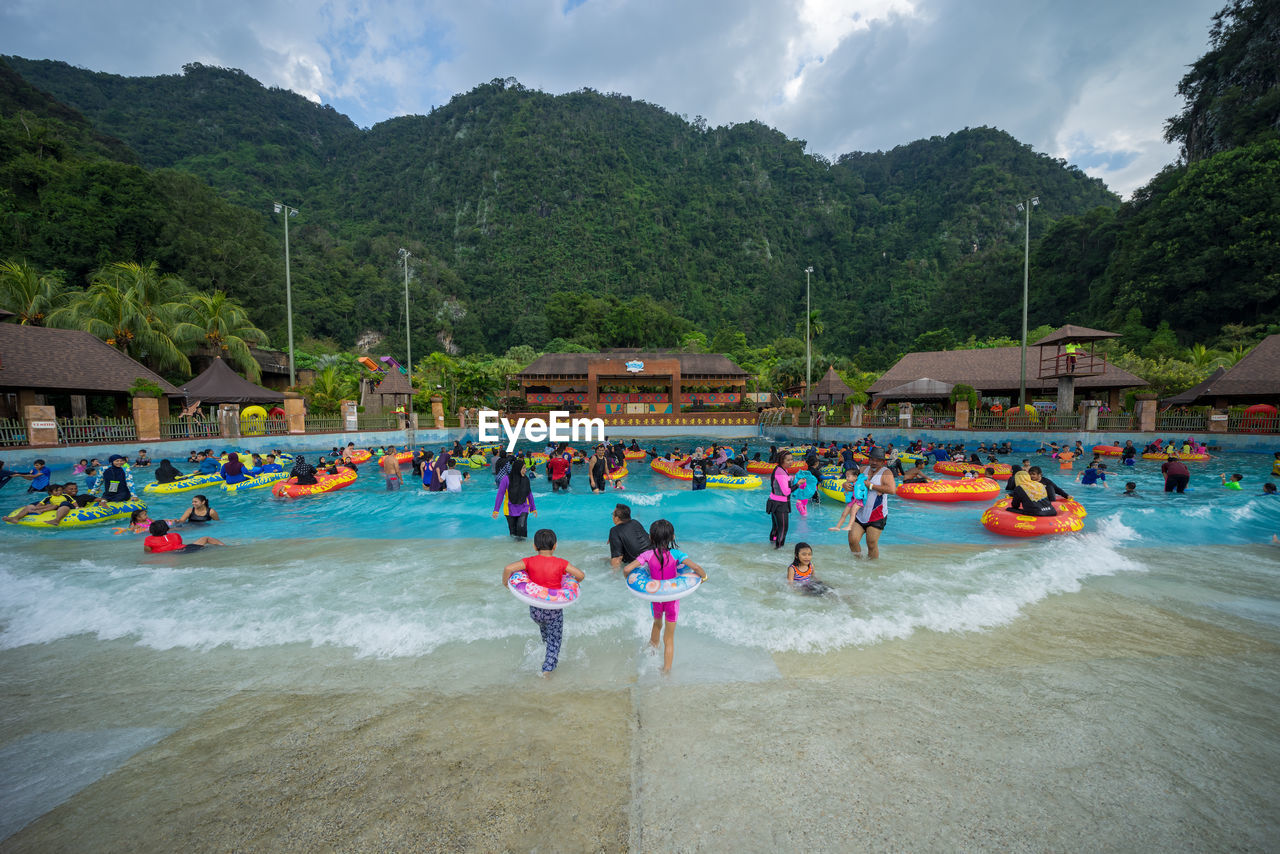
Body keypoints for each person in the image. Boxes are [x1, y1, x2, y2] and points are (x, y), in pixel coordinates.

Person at [621, 519, 706, 674]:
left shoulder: (647, 554)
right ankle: (666, 671)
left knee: (657, 624)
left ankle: (651, 652)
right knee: (669, 637)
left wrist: (628, 579)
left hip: (656, 599)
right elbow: (696, 567)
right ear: (672, 537)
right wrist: (704, 577)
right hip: (672, 601)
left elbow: (627, 569)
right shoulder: (676, 554)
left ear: (651, 538)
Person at [502, 528, 585, 677]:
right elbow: (580, 575)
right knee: (555, 642)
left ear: (534, 546)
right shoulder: (561, 563)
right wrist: (571, 581)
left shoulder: (529, 561)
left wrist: (506, 584)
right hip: (553, 610)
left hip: (535, 610)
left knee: (545, 631)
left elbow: (508, 568)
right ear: (555, 546)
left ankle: (544, 646)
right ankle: (547, 670)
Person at [849, 448, 896, 559]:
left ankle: (873, 567)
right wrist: (845, 485)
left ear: (883, 462)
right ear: (869, 459)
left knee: (871, 543)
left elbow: (892, 490)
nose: (874, 462)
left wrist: (871, 486)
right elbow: (849, 481)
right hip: (860, 513)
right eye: (872, 459)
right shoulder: (863, 469)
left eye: (878, 460)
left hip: (877, 514)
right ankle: (858, 563)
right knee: (852, 540)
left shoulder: (886, 472)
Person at [494, 457, 536, 539]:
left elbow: (529, 494)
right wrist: (496, 510)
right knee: (513, 533)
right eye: (523, 468)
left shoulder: (525, 479)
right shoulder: (506, 479)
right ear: (517, 468)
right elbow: (500, 494)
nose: (525, 470)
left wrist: (533, 508)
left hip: (524, 507)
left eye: (525, 468)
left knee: (521, 528)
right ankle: (514, 551)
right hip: (509, 509)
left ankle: (523, 549)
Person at [4, 483, 74, 525]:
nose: (59, 492)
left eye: (61, 490)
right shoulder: (49, 497)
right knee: (31, 506)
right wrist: (36, 508)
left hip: (61, 507)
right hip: (51, 505)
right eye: (71, 489)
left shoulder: (66, 497)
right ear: (51, 492)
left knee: (54, 505)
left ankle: (56, 520)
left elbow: (73, 502)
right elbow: (41, 503)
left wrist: (77, 507)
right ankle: (16, 518)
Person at [608, 503, 650, 568]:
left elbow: (617, 559)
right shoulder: (635, 523)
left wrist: (614, 576)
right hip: (653, 557)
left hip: (639, 565)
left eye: (613, 515)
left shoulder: (614, 531)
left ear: (617, 518)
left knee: (604, 561)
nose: (612, 517)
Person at [143, 519, 225, 553]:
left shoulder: (148, 539)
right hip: (185, 549)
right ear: (167, 528)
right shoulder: (175, 535)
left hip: (174, 553)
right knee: (205, 538)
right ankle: (225, 547)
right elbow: (178, 544)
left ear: (151, 530)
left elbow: (147, 551)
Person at [766, 451, 794, 549]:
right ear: (782, 460)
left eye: (792, 459)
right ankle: (778, 551)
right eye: (788, 460)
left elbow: (784, 480)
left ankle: (772, 546)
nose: (791, 462)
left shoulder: (780, 469)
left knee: (776, 528)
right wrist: (798, 484)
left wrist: (793, 478)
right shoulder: (781, 472)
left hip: (773, 502)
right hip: (780, 504)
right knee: (783, 529)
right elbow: (786, 492)